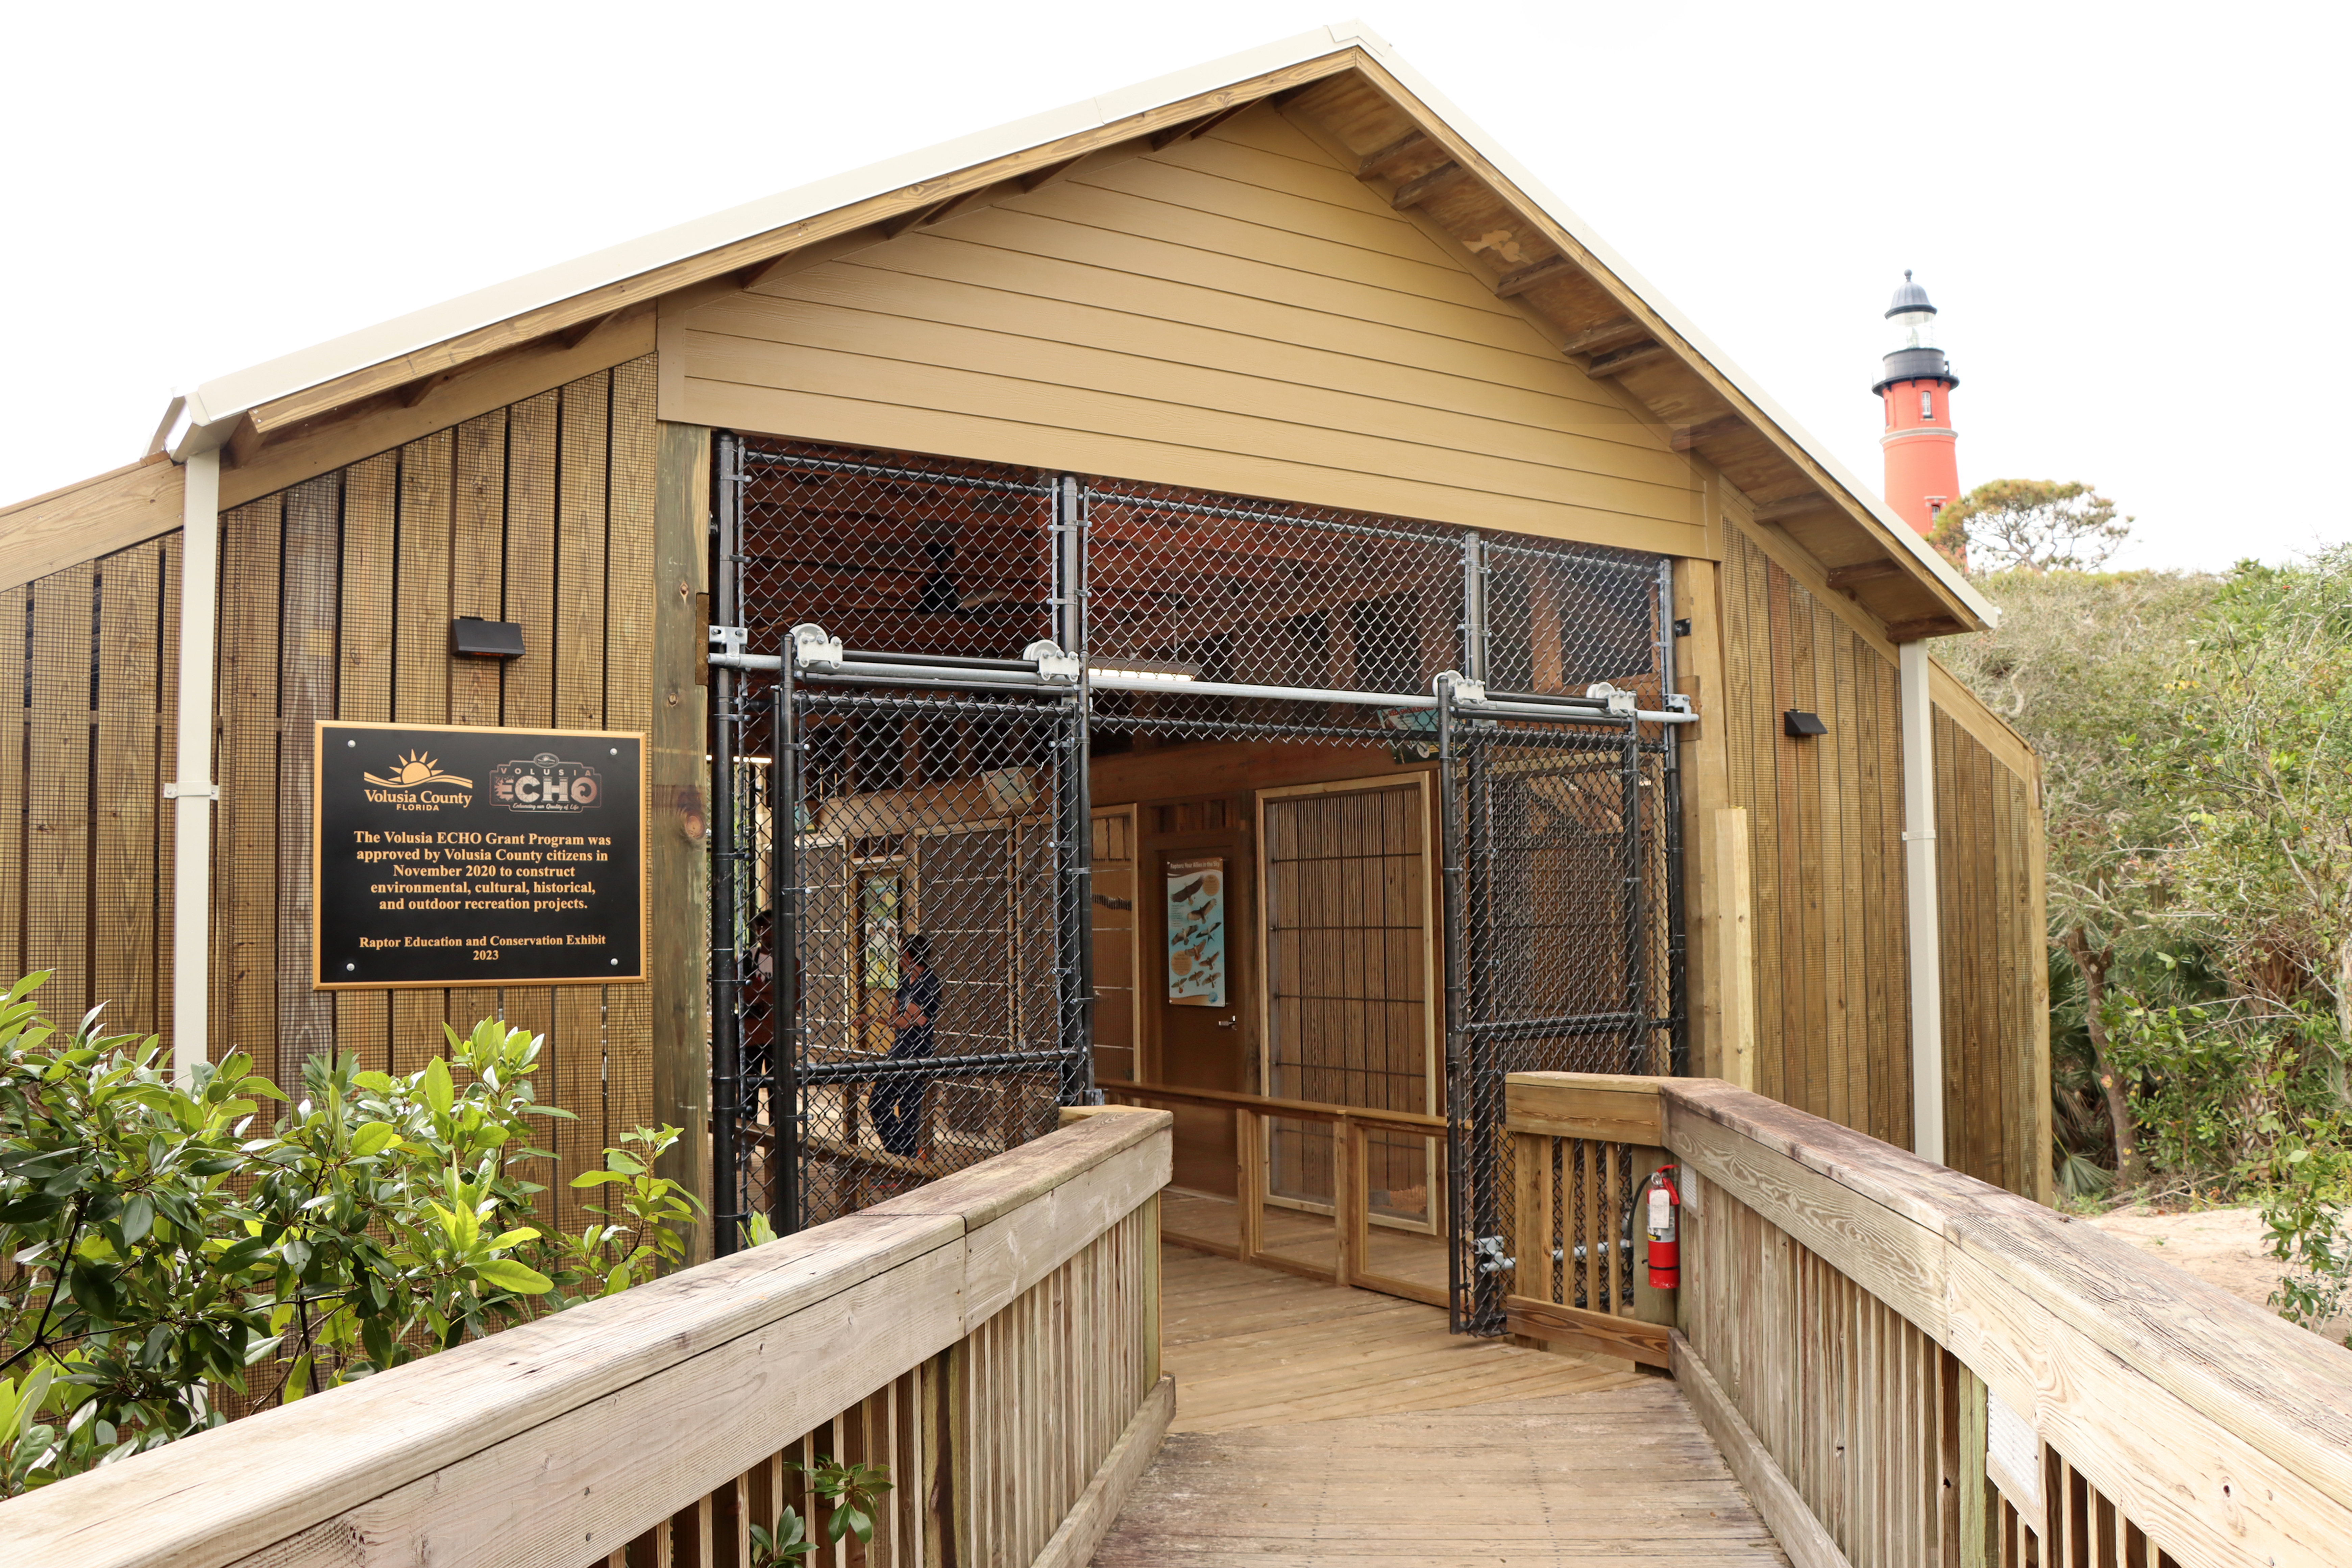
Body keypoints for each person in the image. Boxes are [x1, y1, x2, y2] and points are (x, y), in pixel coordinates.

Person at [871, 934, 940, 1158]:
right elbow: (898, 1016)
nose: (898, 955)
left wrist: (884, 1018)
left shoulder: (929, 981)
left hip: (918, 1051)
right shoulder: (905, 980)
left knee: (909, 1110)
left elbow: (903, 1019)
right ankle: (904, 1153)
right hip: (899, 1049)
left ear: (909, 955)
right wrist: (905, 1018)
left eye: (902, 951)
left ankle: (906, 1157)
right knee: (878, 1102)